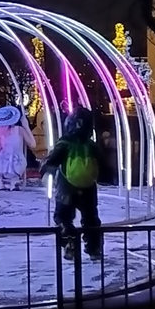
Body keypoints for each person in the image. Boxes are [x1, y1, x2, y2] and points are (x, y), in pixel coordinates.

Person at [42, 107, 104, 260]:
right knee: (91, 218)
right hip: (88, 188)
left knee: (62, 217)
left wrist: (45, 171)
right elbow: (104, 165)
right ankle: (94, 248)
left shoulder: (64, 143)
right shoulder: (92, 145)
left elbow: (50, 162)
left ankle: (70, 243)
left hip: (66, 188)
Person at [0, 104, 36, 190]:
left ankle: (14, 181)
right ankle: (0, 180)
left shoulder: (19, 130)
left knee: (14, 160)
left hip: (17, 163)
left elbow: (33, 144)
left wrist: (26, 127)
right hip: (1, 164)